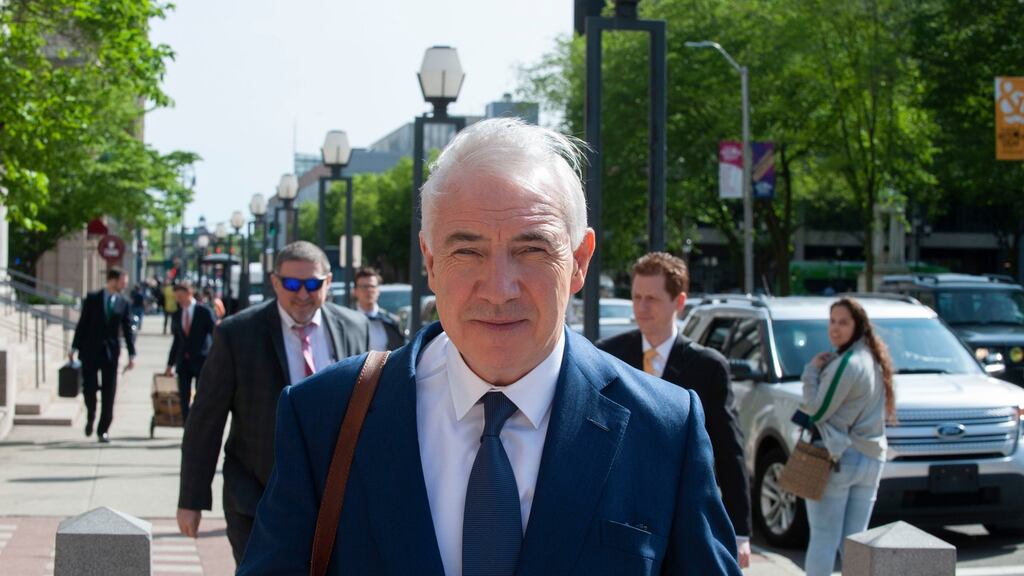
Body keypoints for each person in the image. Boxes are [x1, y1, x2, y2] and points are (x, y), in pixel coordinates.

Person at [238, 119, 741, 575]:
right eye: (467, 251)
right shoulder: (325, 415)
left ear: (580, 260)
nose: (498, 287)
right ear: (430, 262)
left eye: (532, 248)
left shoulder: (664, 429)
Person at [177, 241, 370, 566]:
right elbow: (206, 420)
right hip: (258, 498)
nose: (303, 294)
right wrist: (191, 499)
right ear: (275, 282)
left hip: (336, 503)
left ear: (328, 281)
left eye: (313, 284)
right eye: (292, 284)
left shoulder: (354, 328)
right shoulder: (238, 334)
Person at [596, 252, 752, 568]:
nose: (641, 308)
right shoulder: (608, 355)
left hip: (679, 513)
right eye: (637, 297)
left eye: (651, 298)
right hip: (615, 511)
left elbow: (728, 449)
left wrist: (740, 532)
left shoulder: (708, 367)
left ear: (679, 302)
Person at [800, 297, 895, 576]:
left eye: (843, 322)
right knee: (856, 545)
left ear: (858, 326)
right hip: (870, 458)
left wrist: (811, 371)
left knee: (823, 540)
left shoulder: (848, 363)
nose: (835, 328)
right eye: (832, 321)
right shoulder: (872, 359)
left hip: (838, 459)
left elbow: (816, 411)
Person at [69, 267, 136, 443]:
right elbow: (82, 324)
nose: (124, 285)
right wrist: (74, 347)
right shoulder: (93, 299)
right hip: (90, 351)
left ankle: (103, 429)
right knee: (89, 389)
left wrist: (132, 354)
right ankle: (91, 414)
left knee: (109, 392)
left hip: (111, 354)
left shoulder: (124, 302)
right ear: (112, 280)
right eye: (123, 282)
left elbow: (128, 330)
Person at [164, 281, 216, 423]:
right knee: (183, 397)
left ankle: (198, 425)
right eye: (176, 296)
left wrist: (217, 358)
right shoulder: (177, 314)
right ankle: (187, 427)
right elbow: (176, 341)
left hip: (201, 360)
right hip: (183, 362)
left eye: (180, 296)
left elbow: (215, 335)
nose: (178, 300)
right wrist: (170, 364)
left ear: (189, 294)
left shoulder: (204, 311)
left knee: (200, 397)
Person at [353, 267, 405, 351]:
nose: (369, 290)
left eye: (372, 286)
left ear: (378, 290)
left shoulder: (392, 321)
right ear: (355, 291)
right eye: (364, 287)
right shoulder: (346, 321)